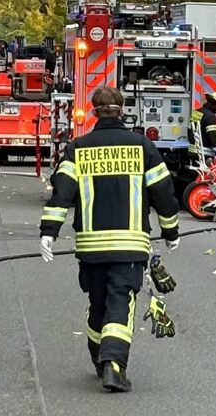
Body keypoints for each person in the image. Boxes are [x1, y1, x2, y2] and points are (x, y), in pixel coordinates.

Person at [39, 86, 181, 393]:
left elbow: (62, 193)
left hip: (91, 246)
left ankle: (98, 356)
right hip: (130, 243)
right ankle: (113, 364)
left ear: (93, 112)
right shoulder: (142, 146)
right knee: (121, 301)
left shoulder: (78, 148)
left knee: (98, 303)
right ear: (123, 110)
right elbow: (163, 193)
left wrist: (49, 232)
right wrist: (170, 231)